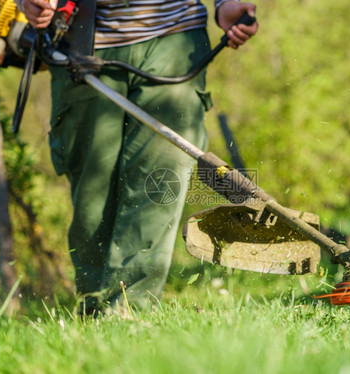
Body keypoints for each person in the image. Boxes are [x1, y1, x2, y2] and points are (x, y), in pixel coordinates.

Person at [19, 0, 258, 313]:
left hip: (175, 38)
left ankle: (129, 314)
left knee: (158, 186)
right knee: (93, 201)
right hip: (83, 41)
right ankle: (93, 313)